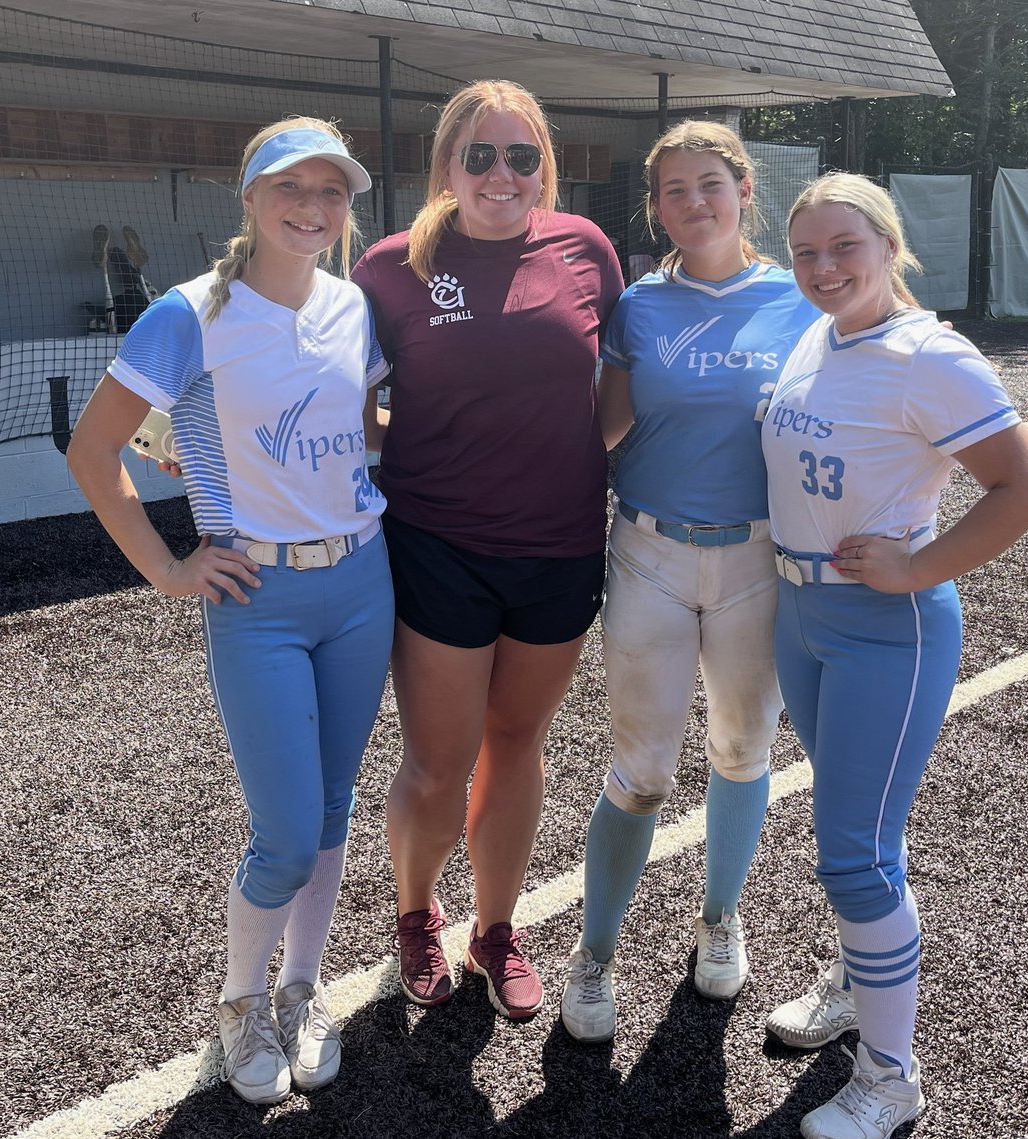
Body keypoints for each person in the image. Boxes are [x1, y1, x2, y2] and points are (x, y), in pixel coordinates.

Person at [67, 117, 394, 1104]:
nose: (313, 208)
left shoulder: (353, 306)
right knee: (285, 830)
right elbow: (93, 452)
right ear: (248, 199)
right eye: (291, 188)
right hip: (257, 594)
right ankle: (239, 1002)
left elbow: (363, 430)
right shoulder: (188, 313)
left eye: (332, 192)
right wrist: (170, 569)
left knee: (334, 811)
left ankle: (303, 989)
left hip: (362, 579)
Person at [760, 172, 1028, 1139]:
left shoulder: (930, 354)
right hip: (801, 614)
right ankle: (855, 983)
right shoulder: (818, 332)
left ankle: (892, 1077)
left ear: (890, 246)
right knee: (858, 837)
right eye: (806, 251)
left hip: (889, 624)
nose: (822, 266)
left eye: (844, 246)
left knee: (854, 856)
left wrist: (921, 563)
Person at [351, 80, 624, 1019]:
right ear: (447, 167)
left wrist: (585, 454)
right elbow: (353, 402)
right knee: (436, 760)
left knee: (517, 742)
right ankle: (416, 914)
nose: (501, 174)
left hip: (559, 549)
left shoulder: (587, 248)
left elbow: (610, 384)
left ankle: (495, 930)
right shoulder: (390, 268)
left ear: (544, 166)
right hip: (439, 547)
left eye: (521, 156)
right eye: (481, 156)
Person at [558, 121, 821, 1043]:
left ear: (745, 189)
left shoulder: (802, 301)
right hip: (649, 551)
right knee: (643, 769)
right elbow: (599, 428)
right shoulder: (639, 306)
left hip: (760, 558)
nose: (692, 203)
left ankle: (720, 919)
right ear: (655, 204)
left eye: (709, 183)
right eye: (672, 189)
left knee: (745, 750)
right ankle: (595, 953)